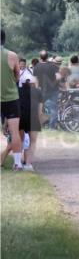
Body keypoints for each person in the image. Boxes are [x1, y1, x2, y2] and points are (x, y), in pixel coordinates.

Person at [0, 30, 24, 170]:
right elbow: (17, 76)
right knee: (15, 132)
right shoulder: (12, 55)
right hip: (11, 98)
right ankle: (17, 163)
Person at [33, 50, 60, 130]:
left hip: (42, 91)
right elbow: (58, 77)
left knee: (40, 108)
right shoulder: (53, 65)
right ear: (47, 57)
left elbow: (35, 81)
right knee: (54, 108)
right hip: (53, 90)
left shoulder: (36, 66)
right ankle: (52, 127)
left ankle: (40, 125)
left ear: (40, 57)